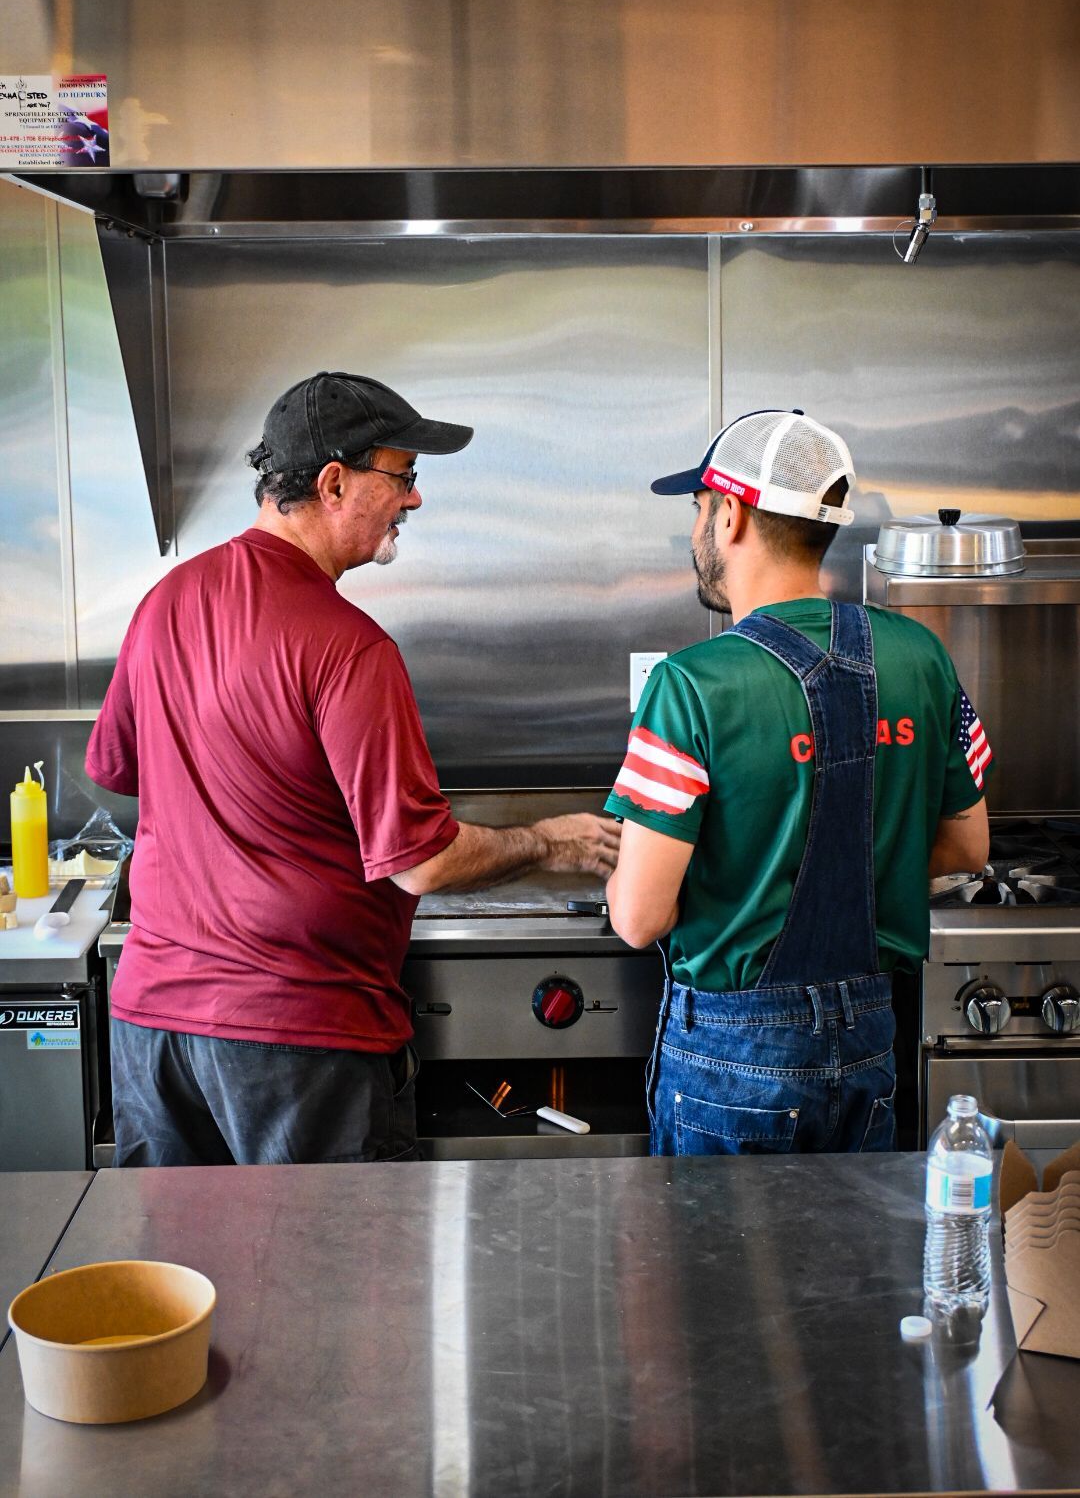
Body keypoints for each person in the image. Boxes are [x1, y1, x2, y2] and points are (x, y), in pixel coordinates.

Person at [87, 371, 619, 1166]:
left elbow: (118, 767)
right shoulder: (349, 647)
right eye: (402, 477)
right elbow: (423, 863)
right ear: (334, 483)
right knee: (328, 1284)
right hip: (296, 1037)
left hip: (154, 1030)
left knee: (181, 1280)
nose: (413, 500)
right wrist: (548, 841)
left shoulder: (167, 602)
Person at [603, 408, 992, 1156]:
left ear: (731, 516)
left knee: (715, 1274)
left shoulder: (690, 685)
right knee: (846, 1271)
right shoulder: (922, 656)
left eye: (697, 512)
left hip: (732, 1064)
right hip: (870, 1045)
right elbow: (968, 846)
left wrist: (655, 869)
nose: (695, 534)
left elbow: (639, 919)